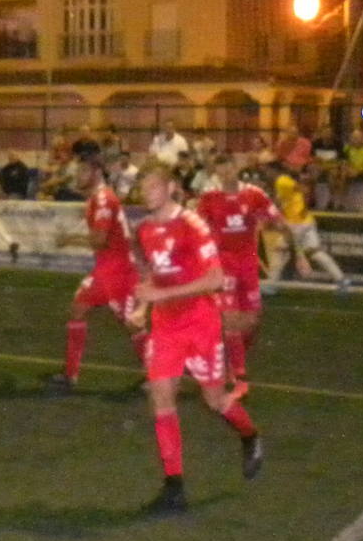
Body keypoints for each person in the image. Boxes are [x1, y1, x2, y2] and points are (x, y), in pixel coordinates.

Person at [131, 164, 263, 514]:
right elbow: (150, 273)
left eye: (154, 186)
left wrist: (163, 296)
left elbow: (216, 278)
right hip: (165, 327)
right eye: (144, 188)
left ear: (172, 188)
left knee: (215, 399)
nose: (147, 193)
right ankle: (174, 486)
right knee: (161, 397)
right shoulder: (143, 229)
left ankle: (250, 436)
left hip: (200, 324)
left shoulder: (192, 225)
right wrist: (143, 306)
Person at [195, 154, 293, 401]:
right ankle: (239, 376)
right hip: (223, 265)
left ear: (236, 168)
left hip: (248, 264)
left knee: (251, 321)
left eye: (228, 166)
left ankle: (231, 357)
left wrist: (295, 250)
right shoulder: (209, 198)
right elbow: (197, 230)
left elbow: (277, 220)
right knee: (231, 319)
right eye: (220, 168)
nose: (225, 172)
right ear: (217, 171)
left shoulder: (254, 194)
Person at [46, 157, 147, 394]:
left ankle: (161, 373)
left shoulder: (102, 199)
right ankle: (70, 375)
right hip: (108, 268)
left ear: (96, 172)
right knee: (78, 309)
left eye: (82, 170)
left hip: (117, 271)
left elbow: (100, 240)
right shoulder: (100, 198)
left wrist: (69, 239)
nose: (78, 176)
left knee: (133, 324)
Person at [267, 165, 349, 293]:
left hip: (297, 223)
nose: (266, 173)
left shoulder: (281, 180)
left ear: (273, 170)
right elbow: (284, 199)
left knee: (280, 251)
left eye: (268, 170)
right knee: (316, 253)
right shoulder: (283, 184)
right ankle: (342, 280)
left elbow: (303, 190)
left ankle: (271, 285)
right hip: (307, 221)